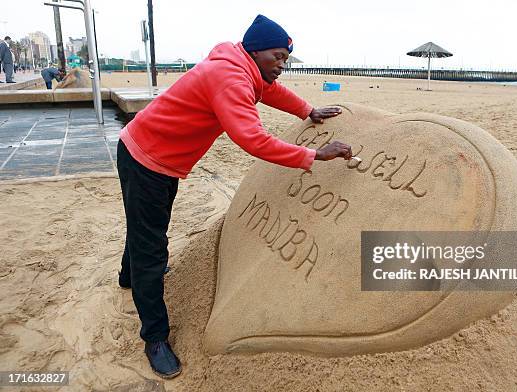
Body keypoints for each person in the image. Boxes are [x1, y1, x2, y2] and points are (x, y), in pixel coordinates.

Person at [116, 14, 352, 379]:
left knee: (148, 226)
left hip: (162, 159)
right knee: (151, 246)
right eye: (278, 57)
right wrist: (314, 155)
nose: (282, 66)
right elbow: (252, 139)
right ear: (256, 51)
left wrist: (307, 110)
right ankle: (156, 338)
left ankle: (127, 276)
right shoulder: (229, 77)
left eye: (286, 59)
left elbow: (270, 90)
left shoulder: (243, 65)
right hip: (146, 159)